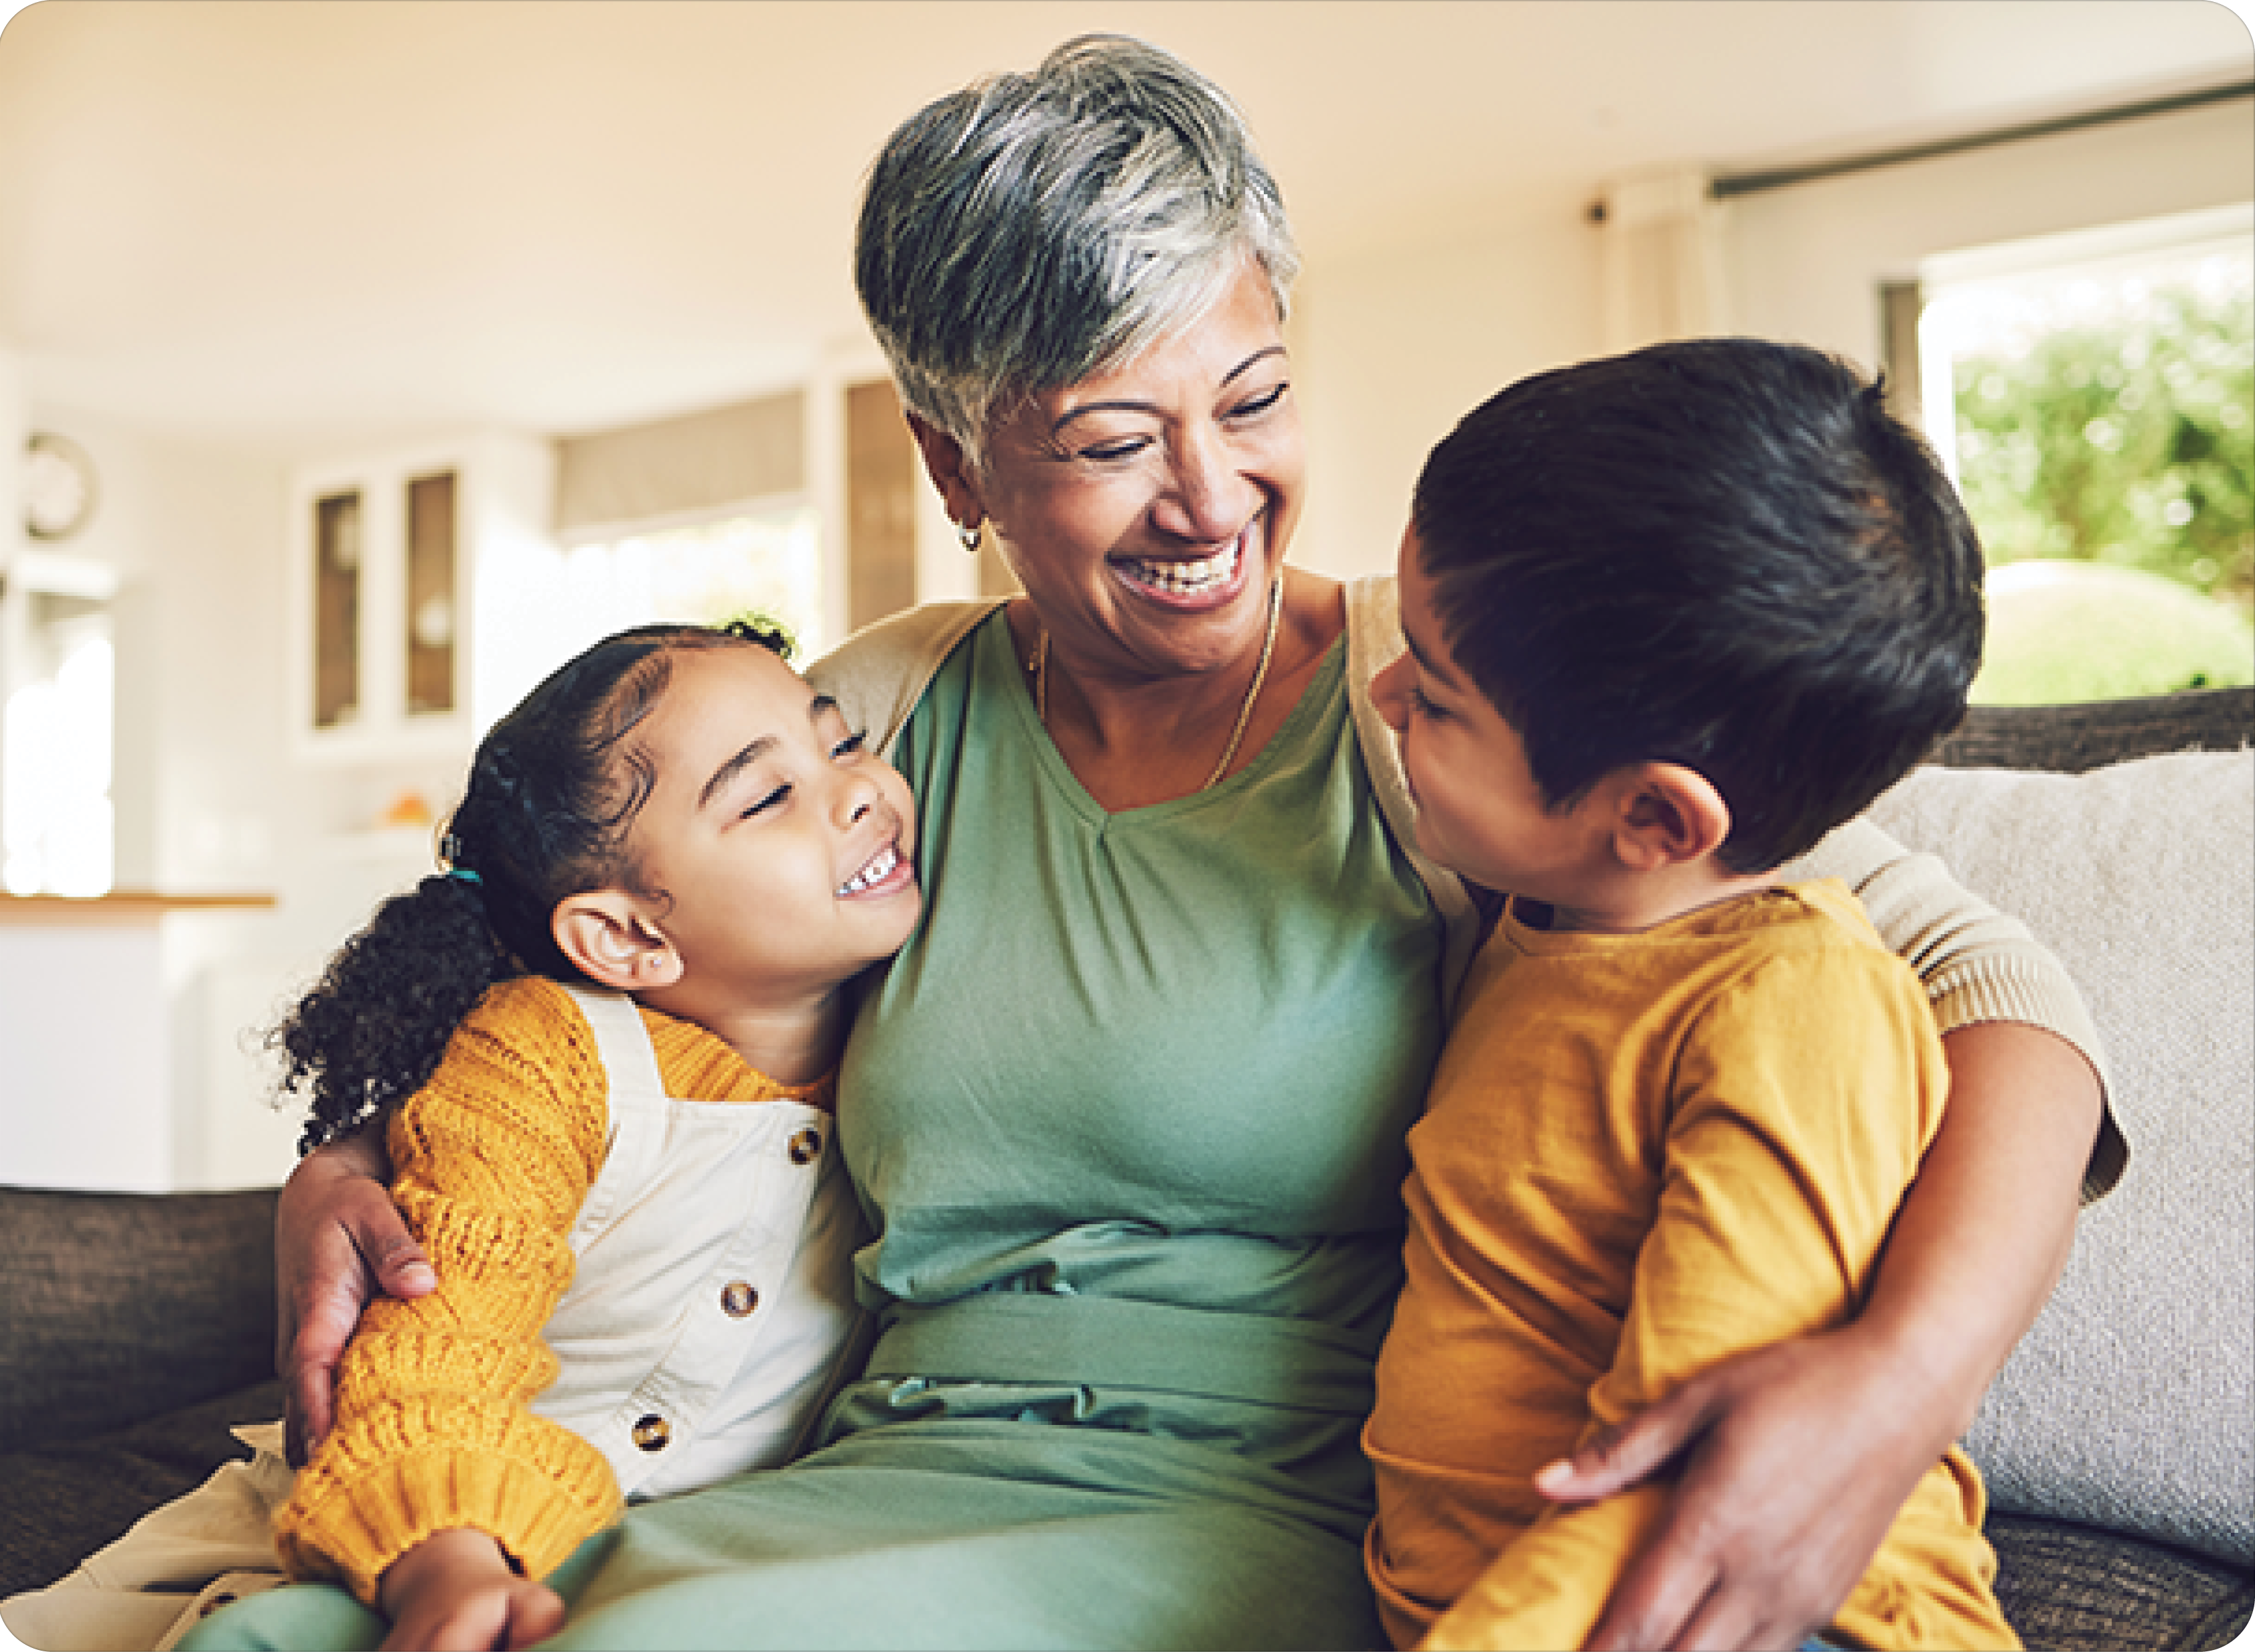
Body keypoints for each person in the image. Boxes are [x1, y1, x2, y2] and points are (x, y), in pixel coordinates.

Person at [210, 35, 2120, 1652]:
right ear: (958, 470)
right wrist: (357, 1165)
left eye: (1257, 397)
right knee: (292, 1622)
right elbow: (616, 955)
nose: (1212, 496)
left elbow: (1982, 989)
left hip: (1232, 1526)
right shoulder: (876, 720)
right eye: (1114, 436)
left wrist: (1893, 1390)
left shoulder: (1455, 714)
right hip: (867, 1472)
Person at [4, 619, 921, 1652]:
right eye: (767, 797)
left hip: (641, 1574)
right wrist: (443, 1555)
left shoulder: (907, 1036)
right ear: (624, 935)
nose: (858, 791)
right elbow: (437, 1348)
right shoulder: (546, 1054)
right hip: (352, 1545)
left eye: (842, 743)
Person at [1363, 339, 2019, 1650]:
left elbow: (1691, 1472)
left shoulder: (1790, 1005)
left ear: (1654, 817)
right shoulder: (1541, 924)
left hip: (1750, 1613)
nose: (1378, 696)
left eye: (1432, 699)